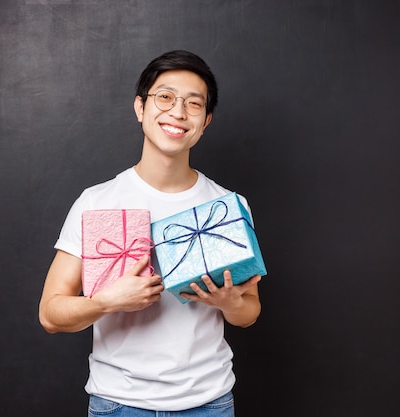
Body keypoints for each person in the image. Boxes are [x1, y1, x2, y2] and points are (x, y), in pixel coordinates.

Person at [39, 50, 263, 416]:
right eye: (165, 97)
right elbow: (50, 314)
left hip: (209, 403)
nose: (178, 112)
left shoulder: (227, 206)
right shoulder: (97, 201)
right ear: (140, 108)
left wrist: (229, 303)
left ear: (205, 122)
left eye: (193, 104)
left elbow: (250, 311)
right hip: (119, 405)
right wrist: (107, 302)